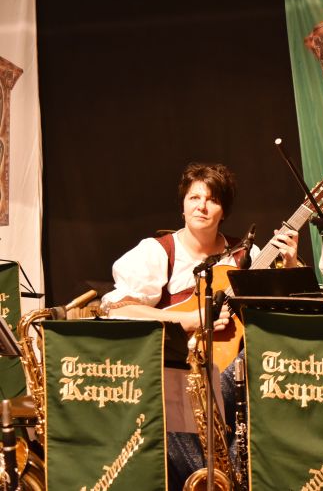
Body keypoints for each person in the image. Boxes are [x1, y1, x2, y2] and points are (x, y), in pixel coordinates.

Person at [100, 162, 299, 489]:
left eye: (212, 199)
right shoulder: (158, 252)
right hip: (175, 371)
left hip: (232, 374)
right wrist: (192, 320)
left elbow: (276, 314)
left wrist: (288, 266)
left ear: (224, 211)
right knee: (192, 396)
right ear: (182, 205)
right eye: (194, 197)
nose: (201, 206)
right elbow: (117, 309)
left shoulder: (245, 256)